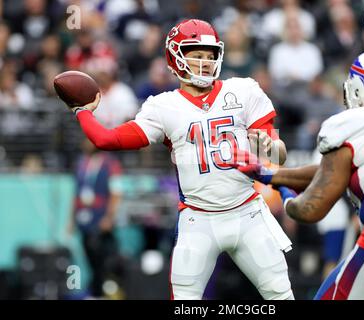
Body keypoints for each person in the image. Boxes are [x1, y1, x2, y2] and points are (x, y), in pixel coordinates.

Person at [60, 19, 294, 300]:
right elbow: (106, 140)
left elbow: (276, 155)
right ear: (176, 57)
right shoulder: (164, 107)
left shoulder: (243, 91)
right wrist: (82, 111)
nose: (205, 63)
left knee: (280, 295)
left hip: (248, 212)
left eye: (210, 56)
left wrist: (269, 146)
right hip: (199, 219)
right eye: (197, 56)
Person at [233, 50, 364, 299]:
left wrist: (288, 199)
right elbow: (340, 171)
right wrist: (272, 177)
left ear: (358, 88)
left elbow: (312, 208)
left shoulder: (350, 122)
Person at [68, 138, 123, 298]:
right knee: (88, 254)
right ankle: (95, 290)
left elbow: (116, 193)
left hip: (100, 217)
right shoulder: (81, 163)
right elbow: (76, 194)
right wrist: (71, 220)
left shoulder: (110, 164)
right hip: (84, 217)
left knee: (102, 256)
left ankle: (102, 290)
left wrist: (109, 216)